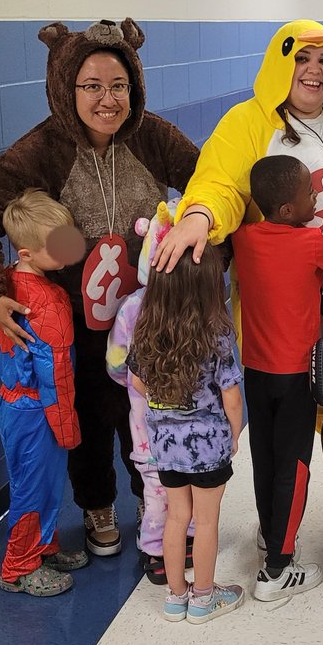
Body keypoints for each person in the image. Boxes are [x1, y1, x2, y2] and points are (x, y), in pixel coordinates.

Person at [0, 18, 200, 558]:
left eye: (118, 86)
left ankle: (154, 505)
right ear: (66, 87)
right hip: (75, 325)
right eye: (91, 86)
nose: (107, 99)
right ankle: (96, 507)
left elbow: (208, 186)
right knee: (89, 422)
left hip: (147, 320)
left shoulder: (154, 136)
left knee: (150, 418)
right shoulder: (42, 150)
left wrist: (201, 254)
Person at [152, 20, 323, 536]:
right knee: (309, 412)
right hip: (291, 302)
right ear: (279, 65)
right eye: (302, 59)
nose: (313, 70)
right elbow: (219, 183)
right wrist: (199, 216)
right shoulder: (247, 124)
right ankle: (282, 536)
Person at [231, 155, 323, 603]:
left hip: (255, 372)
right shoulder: (311, 243)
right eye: (309, 193)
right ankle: (278, 569)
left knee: (264, 459)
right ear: (288, 210)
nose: (314, 198)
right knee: (296, 466)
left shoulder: (243, 238)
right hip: (295, 377)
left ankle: (271, 536)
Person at [127, 247, 245, 625]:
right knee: (206, 522)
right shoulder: (217, 333)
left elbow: (135, 381)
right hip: (207, 445)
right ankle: (204, 598)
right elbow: (231, 394)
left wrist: (168, 408)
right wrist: (234, 432)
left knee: (177, 518)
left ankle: (176, 597)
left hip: (164, 446)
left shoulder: (146, 331)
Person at [0, 191, 88, 597]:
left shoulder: (6, 283)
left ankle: (43, 547)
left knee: (44, 483)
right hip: (37, 409)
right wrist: (66, 425)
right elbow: (57, 373)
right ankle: (18, 566)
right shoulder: (44, 303)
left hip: (22, 405)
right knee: (32, 486)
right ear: (28, 252)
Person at [106, 200, 194, 585]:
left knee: (158, 493)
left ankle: (158, 550)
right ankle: (176, 544)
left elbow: (115, 363)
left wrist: (134, 385)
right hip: (190, 431)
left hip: (148, 432)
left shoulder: (131, 309)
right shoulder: (198, 307)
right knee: (184, 490)